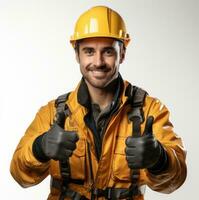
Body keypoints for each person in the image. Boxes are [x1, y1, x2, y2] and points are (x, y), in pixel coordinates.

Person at [10, 5, 187, 200]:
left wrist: (160, 159)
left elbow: (175, 180)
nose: (99, 61)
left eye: (108, 52)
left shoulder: (151, 110)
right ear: (77, 54)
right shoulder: (52, 113)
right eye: (89, 51)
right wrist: (40, 147)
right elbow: (20, 176)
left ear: (123, 54)